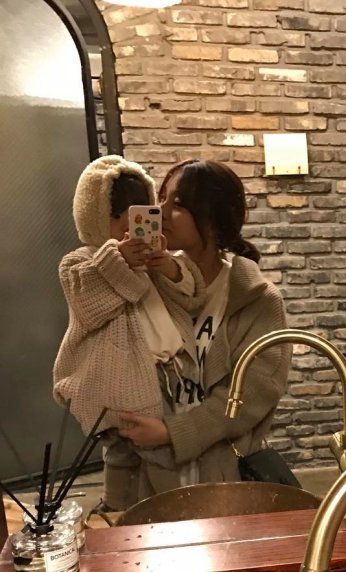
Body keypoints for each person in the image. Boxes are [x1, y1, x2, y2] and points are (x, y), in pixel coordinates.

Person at [115, 159, 291, 500]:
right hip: (149, 476)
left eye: (178, 204)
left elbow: (254, 393)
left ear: (213, 218)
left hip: (227, 479)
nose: (161, 211)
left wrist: (172, 432)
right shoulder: (144, 284)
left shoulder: (255, 298)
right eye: (162, 198)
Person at [53, 155, 206, 511]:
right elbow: (88, 305)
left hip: (166, 375)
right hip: (116, 380)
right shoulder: (81, 261)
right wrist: (117, 258)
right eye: (117, 215)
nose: (127, 225)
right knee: (123, 454)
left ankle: (165, 512)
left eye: (139, 213)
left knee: (160, 452)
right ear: (92, 214)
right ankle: (125, 512)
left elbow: (191, 295)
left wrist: (167, 266)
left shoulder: (155, 259)